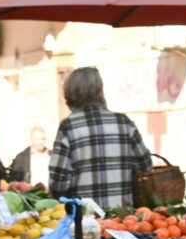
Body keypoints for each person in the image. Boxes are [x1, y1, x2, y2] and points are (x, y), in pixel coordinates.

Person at [46, 69, 154, 210]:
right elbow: (145, 165)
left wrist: (58, 201)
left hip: (85, 219)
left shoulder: (69, 126)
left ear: (69, 92)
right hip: (123, 219)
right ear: (100, 90)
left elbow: (58, 180)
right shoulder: (124, 123)